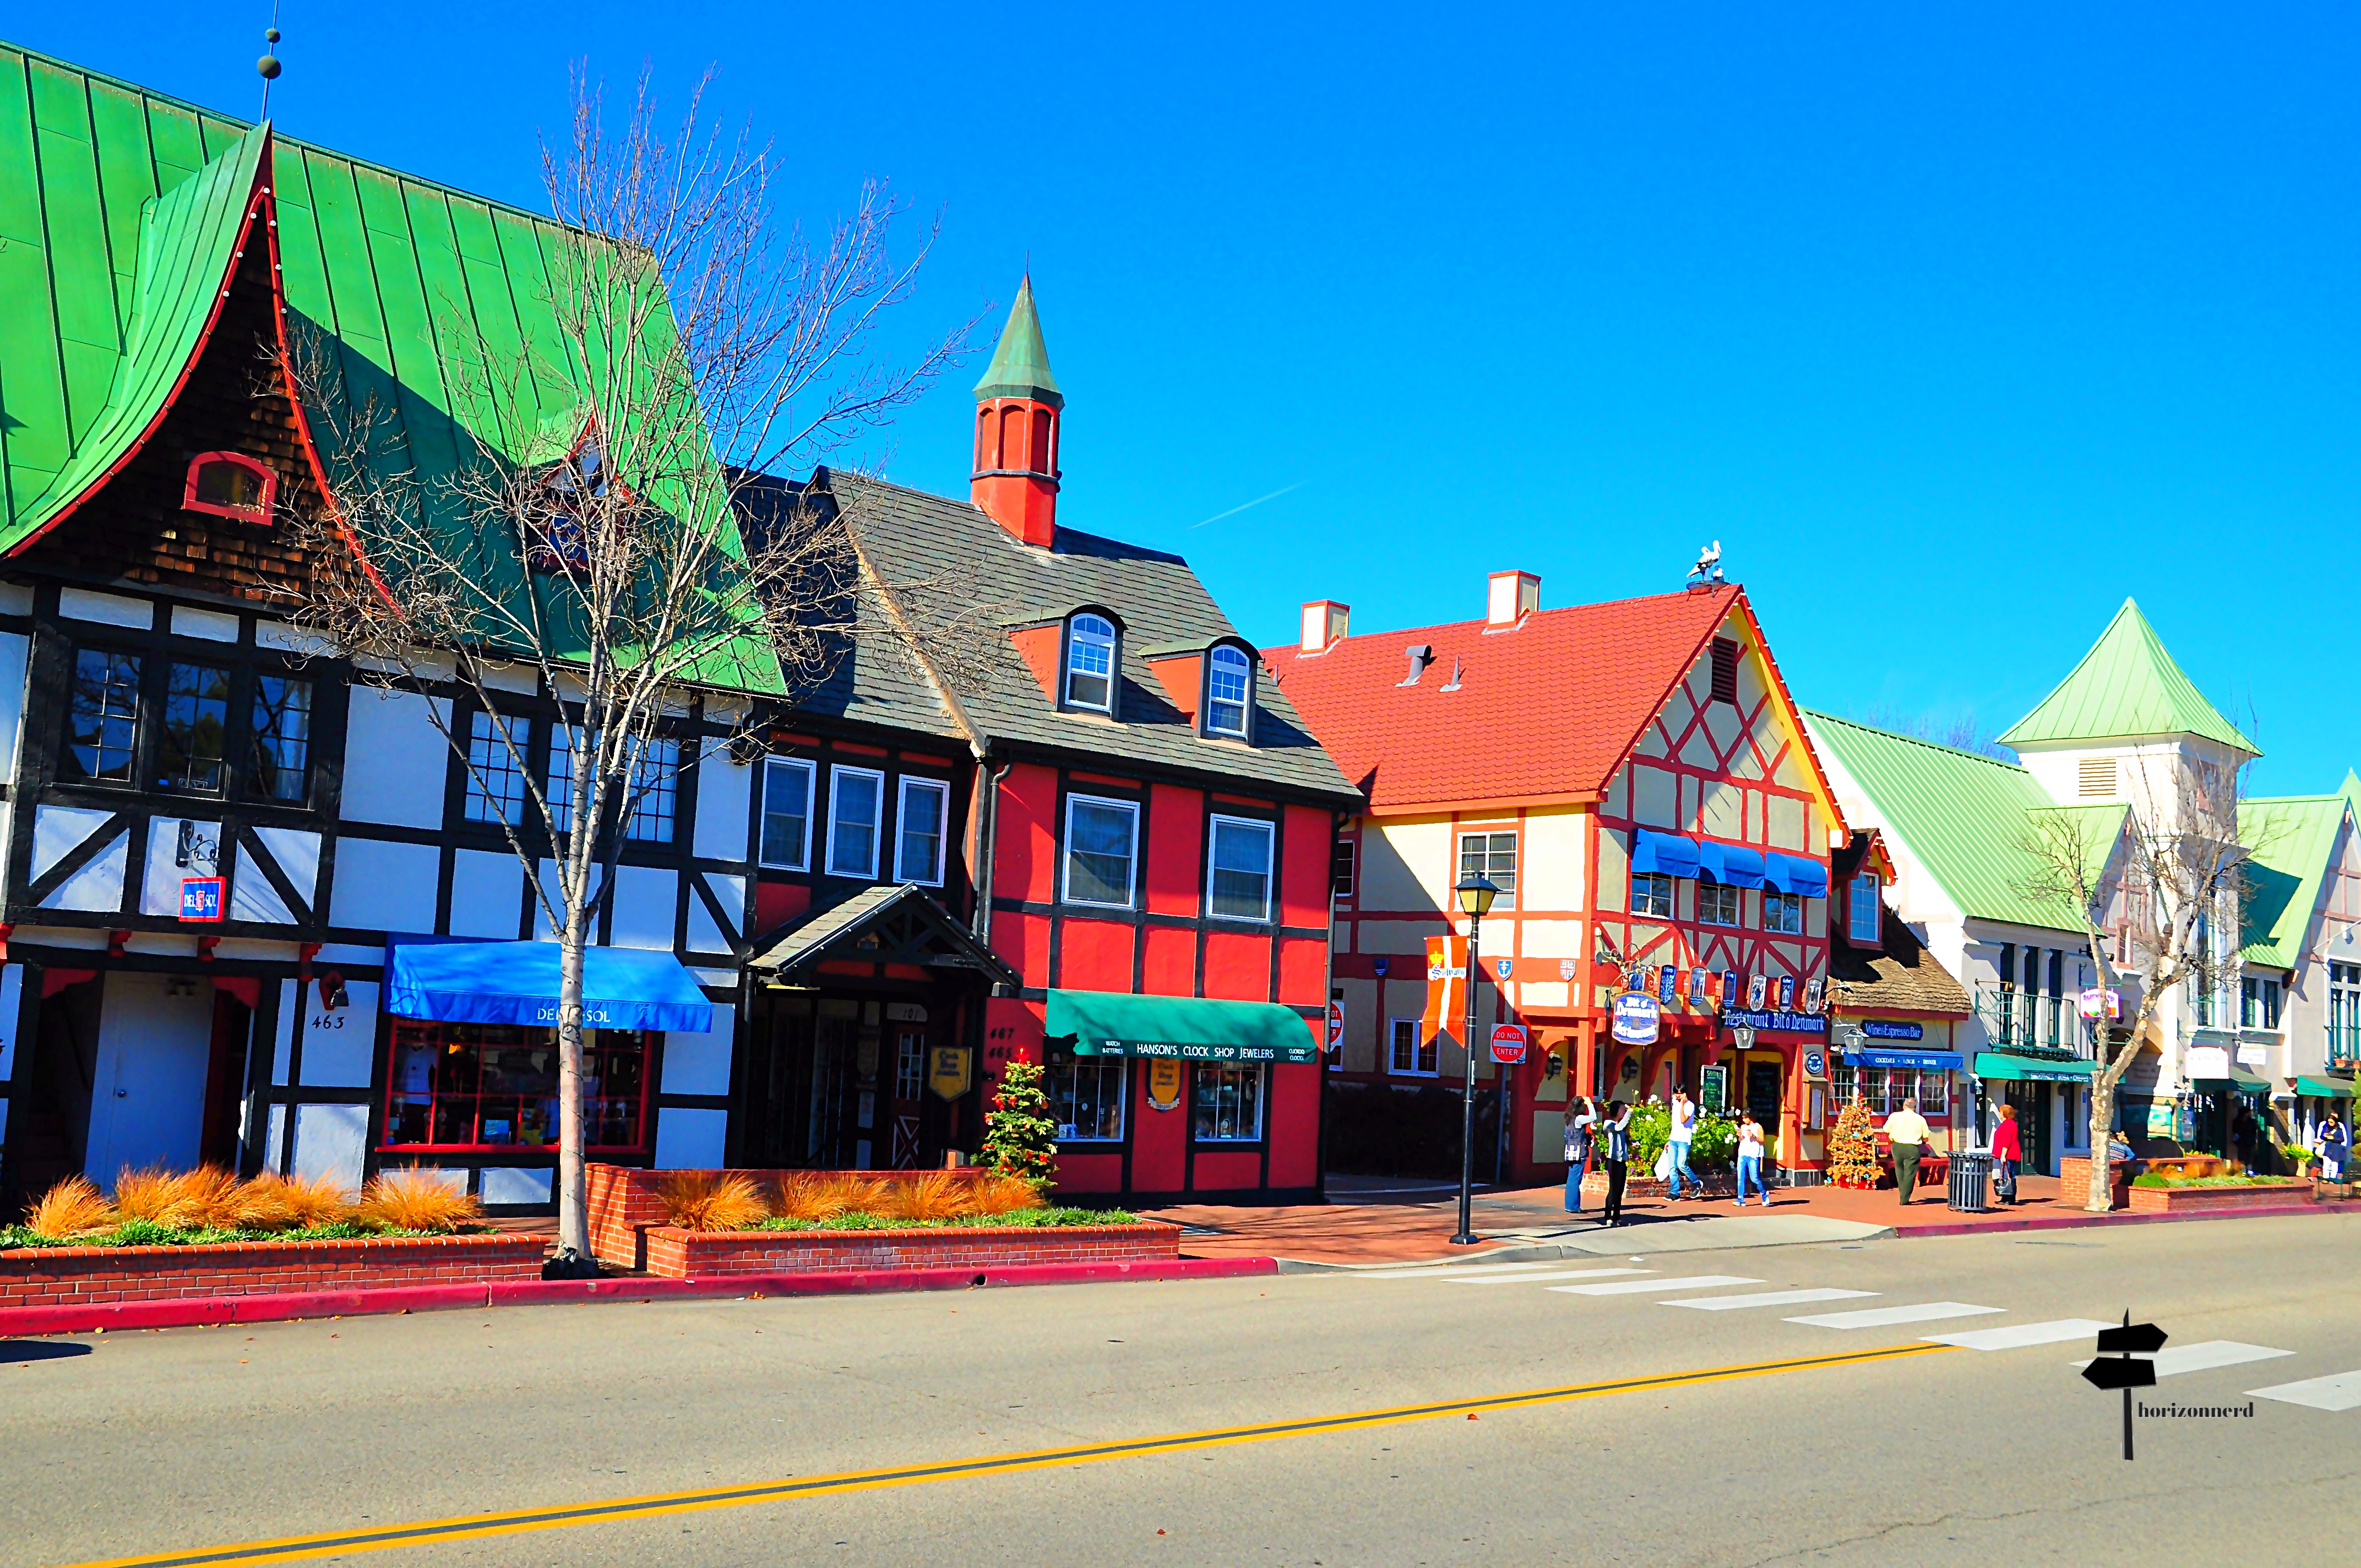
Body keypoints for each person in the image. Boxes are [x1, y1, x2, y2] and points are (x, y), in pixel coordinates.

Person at [1884, 1097, 1933, 1205]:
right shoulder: (1920, 1119)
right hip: (1912, 1147)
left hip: (1897, 1146)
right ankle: (1904, 1198)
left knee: (1899, 1171)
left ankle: (1903, 1193)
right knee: (1910, 1173)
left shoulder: (1894, 1116)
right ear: (1915, 1107)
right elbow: (1926, 1135)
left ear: (1904, 1105)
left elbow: (1886, 1129)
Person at [1598, 1100, 1633, 1227]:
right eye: (1622, 1109)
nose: (1624, 1111)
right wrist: (1630, 1113)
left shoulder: (1621, 1126)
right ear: (1616, 1111)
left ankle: (1617, 1217)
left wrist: (1632, 1143)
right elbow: (1617, 1129)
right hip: (1613, 1161)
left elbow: (1622, 1139)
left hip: (1622, 1161)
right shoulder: (1609, 1124)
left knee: (1620, 1190)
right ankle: (1608, 1216)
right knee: (1613, 1189)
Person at [1563, 1097, 1598, 1213]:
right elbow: (1593, 1117)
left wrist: (1587, 1137)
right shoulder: (1578, 1119)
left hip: (1571, 1151)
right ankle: (1573, 1206)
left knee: (1572, 1178)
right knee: (1576, 1179)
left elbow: (1575, 1135)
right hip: (1579, 1152)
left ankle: (1570, 1204)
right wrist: (1590, 1104)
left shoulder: (1569, 1118)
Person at [1666, 1089, 1700, 1199]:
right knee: (1672, 1167)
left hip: (1684, 1140)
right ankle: (1675, 1192)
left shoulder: (1690, 1105)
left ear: (1685, 1094)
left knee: (1681, 1165)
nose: (1678, 1096)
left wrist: (1682, 1104)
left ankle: (1696, 1183)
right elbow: (1675, 1124)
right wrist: (1669, 1140)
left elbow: (1683, 1120)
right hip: (1673, 1139)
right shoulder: (1675, 1104)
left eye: (1680, 1093)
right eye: (1676, 1093)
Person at [1732, 1111, 1770, 1207]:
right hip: (1742, 1154)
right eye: (1743, 1118)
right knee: (1740, 1177)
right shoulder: (1743, 1127)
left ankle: (1764, 1194)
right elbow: (1741, 1140)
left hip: (1753, 1155)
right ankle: (1740, 1199)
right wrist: (1740, 1136)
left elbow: (1762, 1140)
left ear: (1751, 1117)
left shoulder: (1758, 1127)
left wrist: (1753, 1136)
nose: (1744, 1120)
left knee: (1754, 1178)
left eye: (1746, 1118)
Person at [1989, 1103, 2023, 1205]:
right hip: (2005, 1154)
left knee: (2008, 1175)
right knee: (2005, 1174)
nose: (1999, 1114)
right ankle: (2006, 1197)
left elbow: (2007, 1140)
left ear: (2005, 1113)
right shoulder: (2007, 1124)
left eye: (2000, 1112)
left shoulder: (2009, 1124)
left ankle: (2009, 1198)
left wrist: (2003, 1155)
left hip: (2008, 1155)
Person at [2322, 1113, 2351, 1183]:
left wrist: (2333, 1138)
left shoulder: (2339, 1130)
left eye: (2331, 1122)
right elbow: (2322, 1137)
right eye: (2329, 1122)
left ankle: (2333, 1179)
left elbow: (2342, 1139)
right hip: (2328, 1147)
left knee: (2334, 1164)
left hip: (2336, 1149)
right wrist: (2325, 1136)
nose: (2330, 1123)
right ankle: (2326, 1178)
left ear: (2335, 1122)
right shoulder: (2327, 1128)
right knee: (2326, 1163)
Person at [2232, 1104, 2259, 1174]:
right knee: (2242, 1156)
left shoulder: (2251, 1122)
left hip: (2250, 1142)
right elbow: (2235, 1131)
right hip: (2241, 1142)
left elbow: (2255, 1130)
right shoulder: (2238, 1121)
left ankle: (2249, 1170)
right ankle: (2242, 1170)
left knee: (2249, 1157)